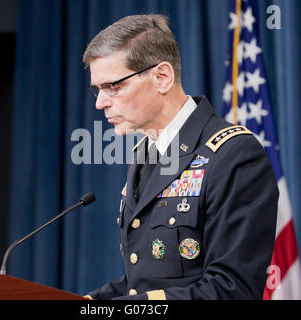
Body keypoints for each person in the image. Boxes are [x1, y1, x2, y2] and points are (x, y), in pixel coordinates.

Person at [82, 14, 278, 300]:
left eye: (113, 86)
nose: (101, 102)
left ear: (162, 77)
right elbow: (146, 281)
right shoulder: (145, 154)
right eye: (97, 90)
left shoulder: (233, 154)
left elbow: (231, 289)